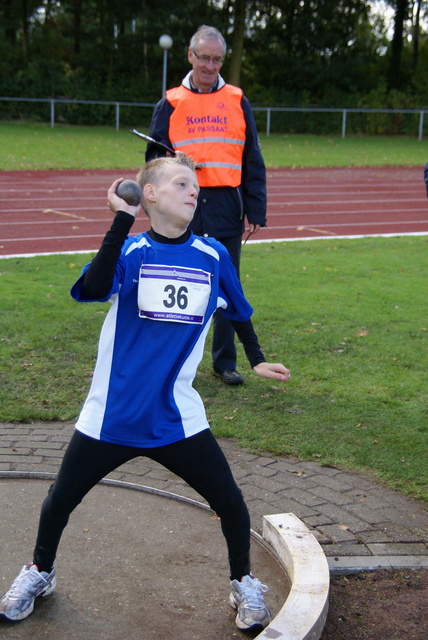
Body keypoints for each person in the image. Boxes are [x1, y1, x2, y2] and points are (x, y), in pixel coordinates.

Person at [0, 155, 290, 632]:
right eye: (181, 183)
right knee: (60, 501)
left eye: (195, 185)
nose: (193, 191)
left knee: (232, 503)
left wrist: (255, 358)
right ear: (149, 194)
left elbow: (237, 309)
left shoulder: (212, 255)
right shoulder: (132, 252)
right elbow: (94, 287)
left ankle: (243, 582)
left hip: (176, 417)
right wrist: (119, 218)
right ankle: (39, 573)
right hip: (111, 416)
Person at [146, 25, 267, 386]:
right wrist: (173, 165)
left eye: (217, 59)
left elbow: (252, 159)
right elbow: (153, 157)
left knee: (227, 284)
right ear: (190, 56)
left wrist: (256, 210)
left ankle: (224, 362)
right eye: (204, 58)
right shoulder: (170, 101)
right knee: (175, 278)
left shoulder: (237, 99)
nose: (210, 66)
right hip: (184, 202)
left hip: (227, 204)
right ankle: (170, 360)